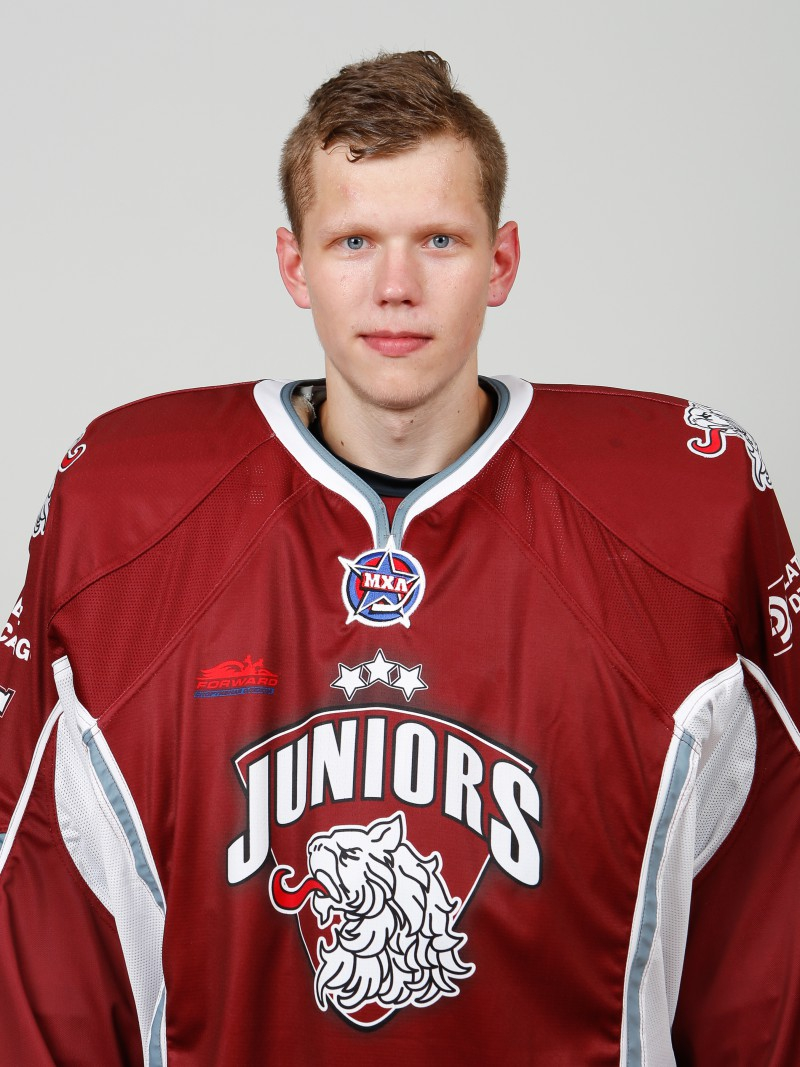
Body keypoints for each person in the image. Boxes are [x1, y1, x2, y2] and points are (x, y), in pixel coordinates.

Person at [0, 49, 798, 1067]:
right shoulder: (125, 522)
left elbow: (768, 924)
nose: (394, 287)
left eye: (438, 240)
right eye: (353, 241)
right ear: (294, 264)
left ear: (501, 261)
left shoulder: (685, 517)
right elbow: (46, 938)